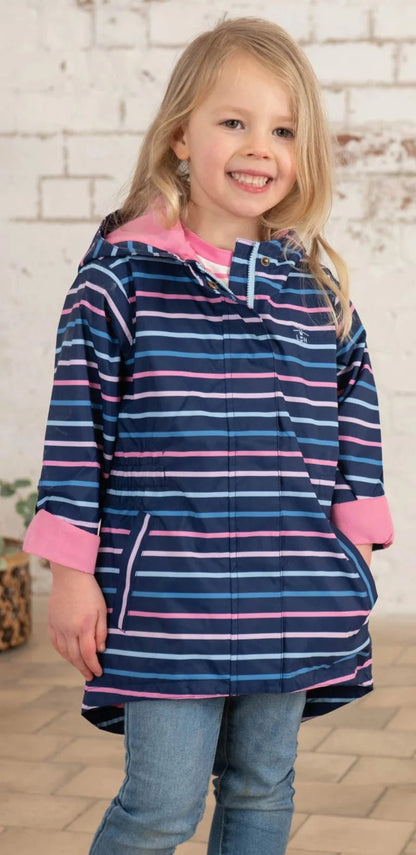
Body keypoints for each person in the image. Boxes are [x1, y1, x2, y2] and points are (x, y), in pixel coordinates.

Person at [24, 16, 394, 855]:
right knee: (161, 806)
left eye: (283, 129)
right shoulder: (120, 276)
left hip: (290, 587)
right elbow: (78, 427)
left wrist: (356, 543)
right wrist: (73, 573)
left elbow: (355, 415)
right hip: (166, 600)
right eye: (235, 121)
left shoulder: (316, 289)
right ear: (181, 135)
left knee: (264, 788)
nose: (259, 145)